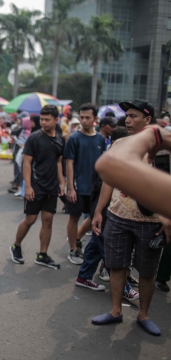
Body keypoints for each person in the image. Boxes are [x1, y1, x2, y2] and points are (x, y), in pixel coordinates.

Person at [91, 100, 165, 336]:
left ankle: (143, 315)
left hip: (151, 221)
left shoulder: (162, 149)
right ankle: (115, 311)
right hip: (118, 216)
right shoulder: (120, 143)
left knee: (147, 271)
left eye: (133, 116)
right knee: (117, 265)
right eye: (127, 116)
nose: (128, 121)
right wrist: (99, 211)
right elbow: (109, 179)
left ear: (148, 119)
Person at [75, 127, 135, 294]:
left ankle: (84, 276)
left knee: (96, 244)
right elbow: (104, 190)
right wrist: (98, 212)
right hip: (104, 210)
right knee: (109, 250)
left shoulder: (117, 158)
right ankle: (125, 288)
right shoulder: (109, 161)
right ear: (116, 143)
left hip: (105, 210)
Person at [9, 105, 65, 269]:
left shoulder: (60, 138)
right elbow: (26, 162)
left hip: (52, 187)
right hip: (36, 186)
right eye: (42, 119)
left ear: (56, 120)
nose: (44, 122)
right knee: (30, 219)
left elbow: (59, 162)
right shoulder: (34, 138)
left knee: (48, 220)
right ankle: (16, 246)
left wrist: (62, 182)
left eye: (47, 120)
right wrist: (28, 186)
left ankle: (42, 254)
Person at [64, 103, 106, 265]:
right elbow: (69, 164)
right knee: (74, 217)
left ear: (95, 119)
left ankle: (77, 239)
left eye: (87, 117)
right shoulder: (74, 138)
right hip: (78, 187)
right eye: (81, 117)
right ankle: (73, 249)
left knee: (96, 216)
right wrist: (71, 188)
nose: (84, 120)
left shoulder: (100, 139)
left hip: (96, 187)